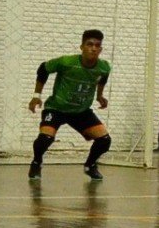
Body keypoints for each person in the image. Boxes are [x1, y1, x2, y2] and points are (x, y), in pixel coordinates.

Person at [29, 29, 113, 181]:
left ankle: (90, 165)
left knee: (105, 140)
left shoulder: (104, 67)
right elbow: (43, 68)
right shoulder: (67, 62)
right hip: (56, 108)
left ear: (100, 49)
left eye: (97, 45)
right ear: (82, 47)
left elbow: (103, 78)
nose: (93, 48)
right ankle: (36, 162)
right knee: (45, 138)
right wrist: (36, 96)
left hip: (81, 111)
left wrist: (100, 96)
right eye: (89, 44)